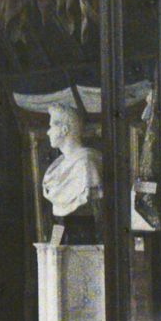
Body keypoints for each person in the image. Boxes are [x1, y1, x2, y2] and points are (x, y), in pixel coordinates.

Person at [41, 104, 102, 244]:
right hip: (65, 236)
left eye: (51, 126)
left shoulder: (86, 163)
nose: (48, 132)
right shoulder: (58, 166)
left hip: (85, 237)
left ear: (64, 130)